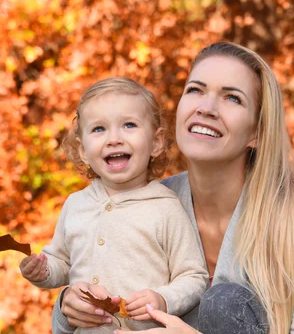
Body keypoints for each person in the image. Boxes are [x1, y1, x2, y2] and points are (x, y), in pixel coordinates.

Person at [45, 42, 294, 334]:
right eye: (196, 90)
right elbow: (105, 301)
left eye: (232, 98)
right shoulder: (152, 205)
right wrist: (68, 307)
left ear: (256, 132)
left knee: (225, 303)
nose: (206, 107)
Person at [19, 77, 209, 333]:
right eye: (99, 129)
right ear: (83, 149)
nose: (114, 139)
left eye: (129, 125)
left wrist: (164, 298)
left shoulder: (165, 208)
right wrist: (42, 271)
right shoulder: (76, 205)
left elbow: (194, 277)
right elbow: (61, 263)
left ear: (156, 142)